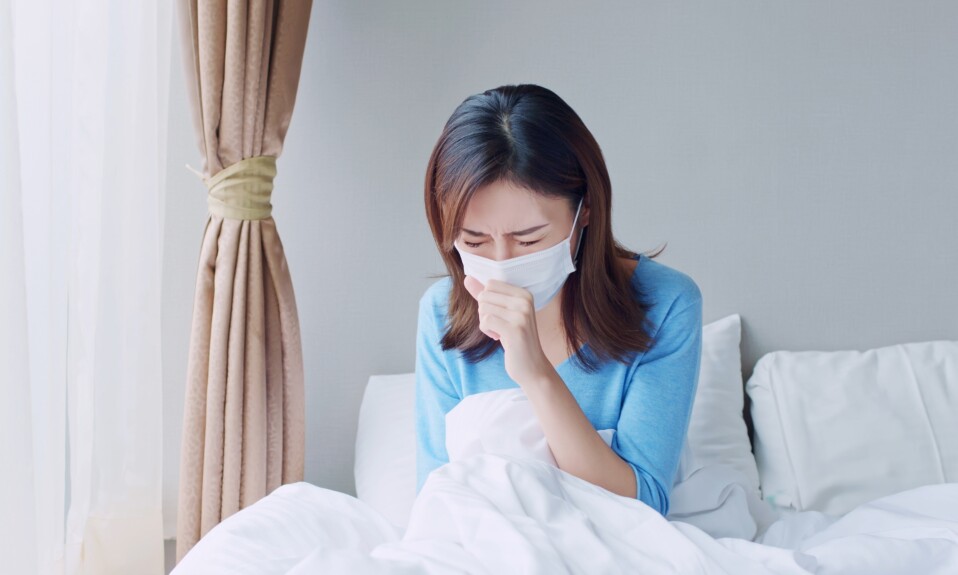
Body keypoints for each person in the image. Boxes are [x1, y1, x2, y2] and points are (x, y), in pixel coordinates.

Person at [415, 83, 702, 517]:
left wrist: (536, 375)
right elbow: (436, 500)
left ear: (585, 210)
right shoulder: (441, 311)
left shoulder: (666, 304)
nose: (502, 263)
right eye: (474, 240)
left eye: (528, 239)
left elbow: (643, 506)